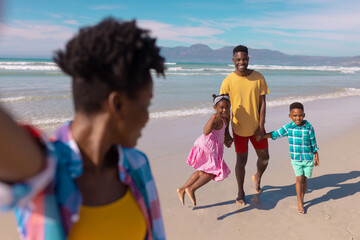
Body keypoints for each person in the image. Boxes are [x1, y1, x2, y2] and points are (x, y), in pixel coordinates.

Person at [0, 17, 166, 240]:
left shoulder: (137, 166)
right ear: (117, 104)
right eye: (146, 103)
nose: (147, 116)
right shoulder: (45, 168)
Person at [219, 45, 270, 206]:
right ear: (233, 60)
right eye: (238, 59)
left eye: (244, 59)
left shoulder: (259, 78)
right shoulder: (228, 81)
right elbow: (224, 110)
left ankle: (258, 177)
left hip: (257, 129)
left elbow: (263, 104)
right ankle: (240, 192)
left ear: (248, 59)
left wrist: (260, 126)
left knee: (265, 158)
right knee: (241, 161)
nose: (242, 62)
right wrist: (226, 133)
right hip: (238, 129)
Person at [257, 102, 319, 214]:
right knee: (299, 178)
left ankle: (302, 198)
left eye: (300, 115)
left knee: (305, 180)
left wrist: (316, 155)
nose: (297, 118)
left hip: (308, 158)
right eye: (294, 116)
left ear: (304, 115)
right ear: (290, 116)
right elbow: (276, 134)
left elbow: (313, 142)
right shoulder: (289, 128)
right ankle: (299, 201)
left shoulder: (309, 127)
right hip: (296, 159)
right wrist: (263, 136)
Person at [177, 94, 232, 207]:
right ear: (215, 107)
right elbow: (206, 131)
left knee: (202, 172)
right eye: (221, 107)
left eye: (227, 107)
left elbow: (226, 132)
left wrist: (228, 139)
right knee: (213, 171)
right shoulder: (216, 118)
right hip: (209, 146)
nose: (224, 110)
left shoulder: (227, 117)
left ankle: (182, 189)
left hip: (215, 147)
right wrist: (213, 118)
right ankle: (191, 189)